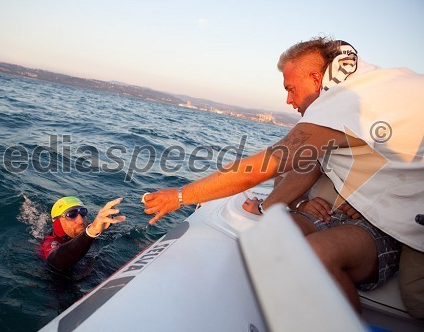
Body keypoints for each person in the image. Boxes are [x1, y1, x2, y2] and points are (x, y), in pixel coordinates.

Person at [143, 36, 424, 313]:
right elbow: (305, 165)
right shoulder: (346, 93)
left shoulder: (348, 101)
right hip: (339, 212)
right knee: (268, 238)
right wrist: (271, 207)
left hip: (397, 221)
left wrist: (179, 196)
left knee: (414, 297)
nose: (288, 100)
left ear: (316, 79)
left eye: (291, 89)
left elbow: (262, 167)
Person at [39, 196, 126, 273]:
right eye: (71, 214)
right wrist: (91, 232)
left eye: (83, 212)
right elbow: (56, 261)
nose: (81, 220)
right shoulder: (50, 242)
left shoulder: (95, 232)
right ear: (57, 222)